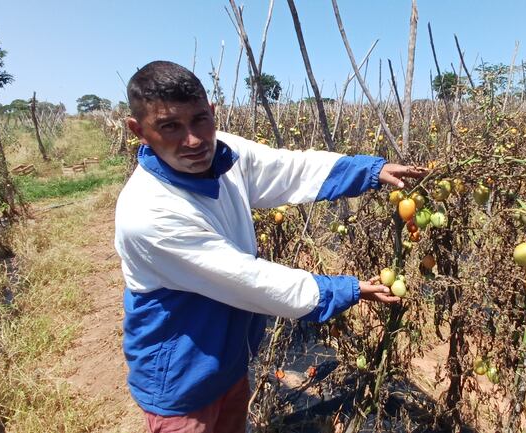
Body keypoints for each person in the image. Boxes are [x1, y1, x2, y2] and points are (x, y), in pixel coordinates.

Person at [114, 60, 425, 433]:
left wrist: (369, 172)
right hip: (180, 377)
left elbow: (288, 169)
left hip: (227, 359)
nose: (193, 140)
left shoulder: (223, 154)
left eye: (200, 120)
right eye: (169, 127)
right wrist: (345, 290)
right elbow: (248, 280)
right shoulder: (149, 215)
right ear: (139, 131)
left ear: (212, 112)